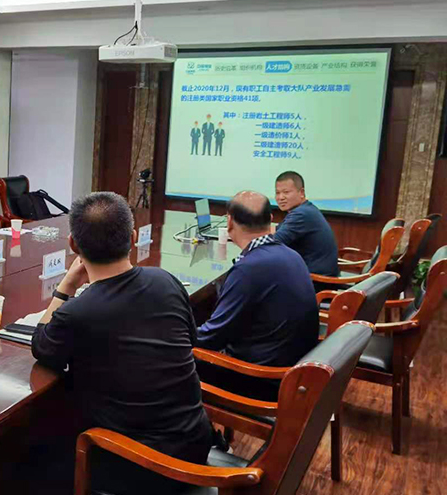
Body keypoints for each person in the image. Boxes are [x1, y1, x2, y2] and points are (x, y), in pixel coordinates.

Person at [31, 192, 212, 493]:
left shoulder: (78, 312)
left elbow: (41, 345)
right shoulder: (166, 281)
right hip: (195, 445)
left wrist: (66, 286)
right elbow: (191, 341)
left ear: (73, 245)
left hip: (140, 465)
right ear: (132, 238)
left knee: (28, 458)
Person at [196, 191, 319, 401]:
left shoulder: (250, 268)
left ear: (229, 222)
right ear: (270, 220)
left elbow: (211, 339)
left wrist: (173, 334)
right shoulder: (290, 255)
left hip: (261, 379)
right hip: (292, 372)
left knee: (170, 356)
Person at [273, 171, 339, 279]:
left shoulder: (301, 214)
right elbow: (277, 231)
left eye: (286, 192)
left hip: (315, 280)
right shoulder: (305, 209)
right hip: (310, 275)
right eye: (277, 193)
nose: (281, 197)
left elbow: (273, 243)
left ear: (301, 192)